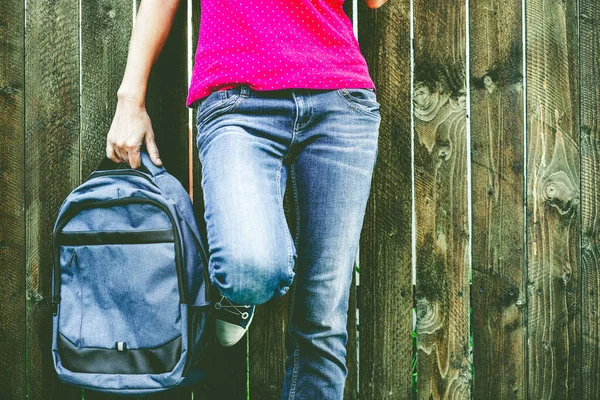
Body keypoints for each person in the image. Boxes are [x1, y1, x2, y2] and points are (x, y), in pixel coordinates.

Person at [106, 0, 387, 398]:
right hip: (237, 98)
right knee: (249, 269)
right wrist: (130, 99)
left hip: (339, 99)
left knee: (323, 319)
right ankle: (241, 291)